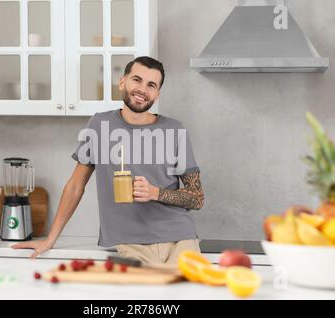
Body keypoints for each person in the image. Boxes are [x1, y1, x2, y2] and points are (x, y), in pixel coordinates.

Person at [12, 56, 205, 264]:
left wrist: (156, 193)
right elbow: (76, 186)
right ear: (122, 82)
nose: (142, 89)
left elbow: (197, 197)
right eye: (136, 80)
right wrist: (50, 239)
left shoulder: (174, 130)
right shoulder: (99, 125)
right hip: (129, 244)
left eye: (151, 85)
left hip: (181, 241)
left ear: (157, 94)